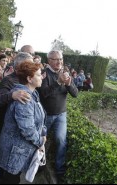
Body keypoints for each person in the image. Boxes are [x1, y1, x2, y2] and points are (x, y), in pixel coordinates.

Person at [0, 52, 33, 184]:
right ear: (18, 67)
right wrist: (12, 95)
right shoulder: (9, 80)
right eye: (29, 65)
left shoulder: (27, 80)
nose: (33, 67)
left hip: (15, 131)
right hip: (5, 128)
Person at [0, 61, 46, 184]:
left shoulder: (33, 93)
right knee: (10, 180)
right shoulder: (25, 97)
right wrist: (40, 141)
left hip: (19, 150)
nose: (42, 77)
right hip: (14, 152)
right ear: (29, 79)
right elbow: (27, 128)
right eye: (39, 75)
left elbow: (40, 117)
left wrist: (43, 133)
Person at [38, 50, 78, 182]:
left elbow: (75, 94)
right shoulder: (44, 73)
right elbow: (44, 93)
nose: (59, 62)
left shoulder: (65, 74)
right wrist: (58, 82)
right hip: (45, 115)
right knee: (39, 141)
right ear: (49, 60)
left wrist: (68, 84)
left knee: (61, 140)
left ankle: (59, 170)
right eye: (55, 59)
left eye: (60, 59)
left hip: (61, 115)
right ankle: (37, 165)